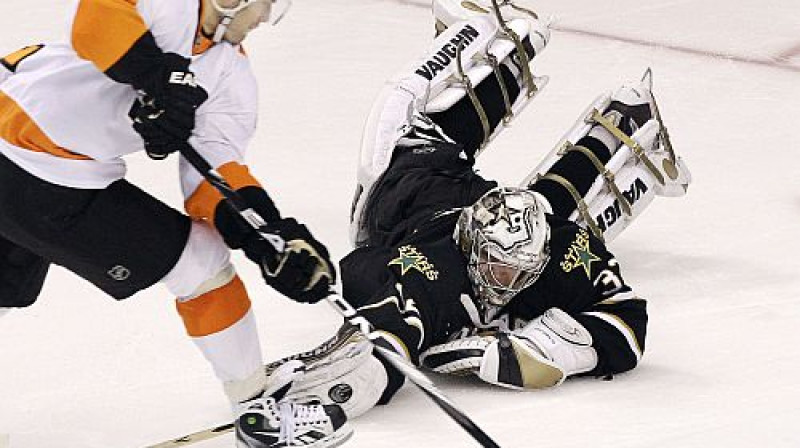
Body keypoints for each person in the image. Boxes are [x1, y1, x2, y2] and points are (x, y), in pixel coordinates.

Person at [263, 0, 691, 419]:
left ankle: (627, 123)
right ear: (470, 242)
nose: (505, 282)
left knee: (553, 213)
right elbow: (367, 277)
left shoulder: (553, 249)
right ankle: (501, 42)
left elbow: (629, 321)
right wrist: (376, 359)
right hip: (421, 190)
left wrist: (529, 352)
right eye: (497, 266)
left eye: (518, 270)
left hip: (483, 208)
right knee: (412, 132)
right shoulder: (438, 269)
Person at [0, 1, 352, 446]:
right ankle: (255, 410)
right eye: (264, 4)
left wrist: (266, 237)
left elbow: (215, 177)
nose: (263, 19)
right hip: (39, 173)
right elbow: (96, 18)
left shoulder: (230, 78)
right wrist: (155, 77)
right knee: (202, 264)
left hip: (20, 152)